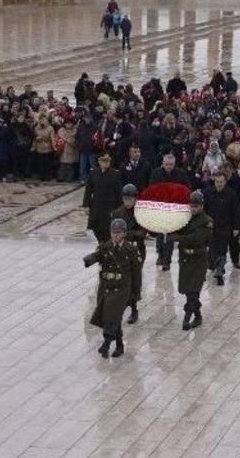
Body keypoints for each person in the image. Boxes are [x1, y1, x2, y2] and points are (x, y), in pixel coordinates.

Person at [84, 218, 141, 358]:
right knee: (111, 317)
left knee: (112, 317)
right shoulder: (105, 246)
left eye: (118, 232)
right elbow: (98, 256)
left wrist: (136, 293)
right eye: (113, 232)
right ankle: (120, 345)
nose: (115, 235)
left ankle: (106, 343)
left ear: (124, 233)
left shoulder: (131, 249)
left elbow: (136, 274)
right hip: (106, 287)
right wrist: (89, 259)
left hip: (121, 289)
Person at [167, 190, 212, 331]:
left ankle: (186, 318)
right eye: (191, 206)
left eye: (196, 206)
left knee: (193, 291)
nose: (193, 209)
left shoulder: (207, 221)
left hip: (198, 260)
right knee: (188, 290)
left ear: (202, 206)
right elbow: (178, 229)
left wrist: (177, 238)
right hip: (186, 259)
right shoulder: (185, 218)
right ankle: (198, 315)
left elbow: (197, 239)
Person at [110, 184, 147, 324]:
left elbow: (142, 233)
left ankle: (133, 308)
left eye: (130, 199)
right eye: (125, 199)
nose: (127, 202)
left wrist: (125, 234)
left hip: (137, 250)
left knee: (133, 279)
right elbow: (114, 233)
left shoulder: (141, 212)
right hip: (122, 250)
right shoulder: (117, 213)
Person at [149, 154, 190, 270]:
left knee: (170, 235)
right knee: (160, 234)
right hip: (160, 207)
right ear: (163, 163)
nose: (168, 167)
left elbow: (187, 189)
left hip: (174, 208)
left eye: (171, 164)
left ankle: (167, 259)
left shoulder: (181, 174)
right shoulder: (156, 173)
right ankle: (160, 255)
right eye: (166, 164)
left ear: (174, 164)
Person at [202, 169, 240, 286]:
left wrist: (236, 227)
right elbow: (203, 210)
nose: (219, 184)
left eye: (221, 182)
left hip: (225, 226)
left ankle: (219, 272)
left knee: (222, 250)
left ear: (225, 182)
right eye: (217, 182)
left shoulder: (231, 194)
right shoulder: (208, 193)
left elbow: (236, 211)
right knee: (213, 248)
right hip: (211, 226)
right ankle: (216, 266)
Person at [83, 153, 123, 243]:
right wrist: (86, 205)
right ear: (99, 162)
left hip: (109, 207)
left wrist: (119, 209)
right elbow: (88, 190)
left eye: (108, 161)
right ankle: (101, 244)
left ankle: (106, 246)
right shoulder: (94, 173)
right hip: (96, 206)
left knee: (107, 229)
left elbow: (118, 193)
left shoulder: (115, 174)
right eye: (104, 161)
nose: (106, 163)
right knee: (96, 228)